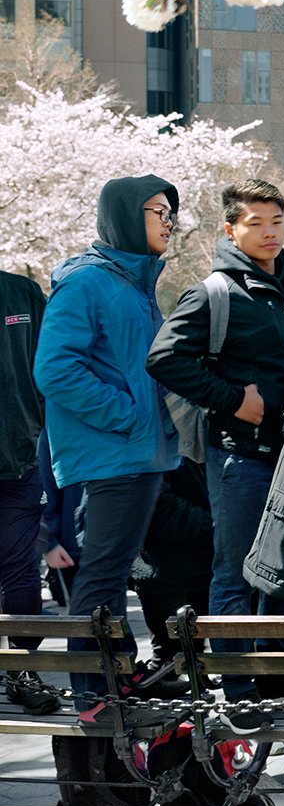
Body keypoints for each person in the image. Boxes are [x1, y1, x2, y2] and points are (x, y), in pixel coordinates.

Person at [147, 178, 284, 733]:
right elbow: (165, 360)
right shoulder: (213, 293)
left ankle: (278, 675)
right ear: (230, 228)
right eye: (255, 223)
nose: (269, 233)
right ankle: (239, 690)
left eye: (276, 222)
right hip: (238, 457)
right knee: (236, 573)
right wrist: (233, 401)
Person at [34, 176, 181, 712]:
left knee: (111, 577)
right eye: (157, 211)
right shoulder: (87, 283)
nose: (169, 221)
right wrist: (127, 415)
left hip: (138, 453)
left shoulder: (134, 285)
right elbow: (54, 370)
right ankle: (90, 700)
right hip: (109, 455)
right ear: (123, 216)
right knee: (100, 580)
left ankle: (107, 691)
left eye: (171, 212)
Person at [0, 264, 51, 713]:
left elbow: (50, 364)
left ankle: (22, 668)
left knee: (20, 572)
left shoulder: (22, 293)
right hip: (21, 451)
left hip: (19, 458)